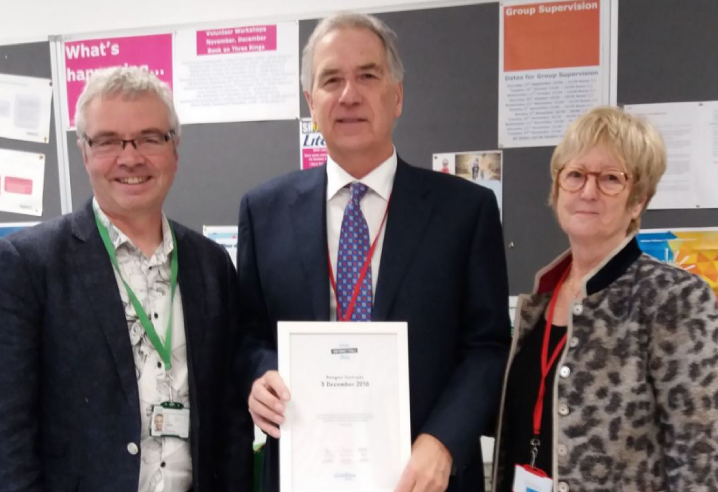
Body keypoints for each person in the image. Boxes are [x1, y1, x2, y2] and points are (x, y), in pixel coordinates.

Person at [236, 12, 510, 492]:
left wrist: (443, 440)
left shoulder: (465, 211)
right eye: (331, 80)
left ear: (397, 95)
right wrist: (259, 377)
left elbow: (487, 347)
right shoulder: (264, 211)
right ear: (311, 102)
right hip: (307, 470)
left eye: (367, 75)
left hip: (426, 476)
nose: (349, 95)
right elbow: (249, 335)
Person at [0, 67, 252, 492]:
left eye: (150, 137)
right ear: (84, 151)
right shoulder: (24, 266)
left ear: (175, 149)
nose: (130, 157)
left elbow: (229, 424)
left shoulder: (211, 267)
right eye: (108, 141)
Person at [492, 106, 718, 491]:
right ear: (557, 187)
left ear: (638, 200)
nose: (588, 191)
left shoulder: (675, 299)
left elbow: (700, 458)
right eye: (576, 175)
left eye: (611, 178)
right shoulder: (541, 300)